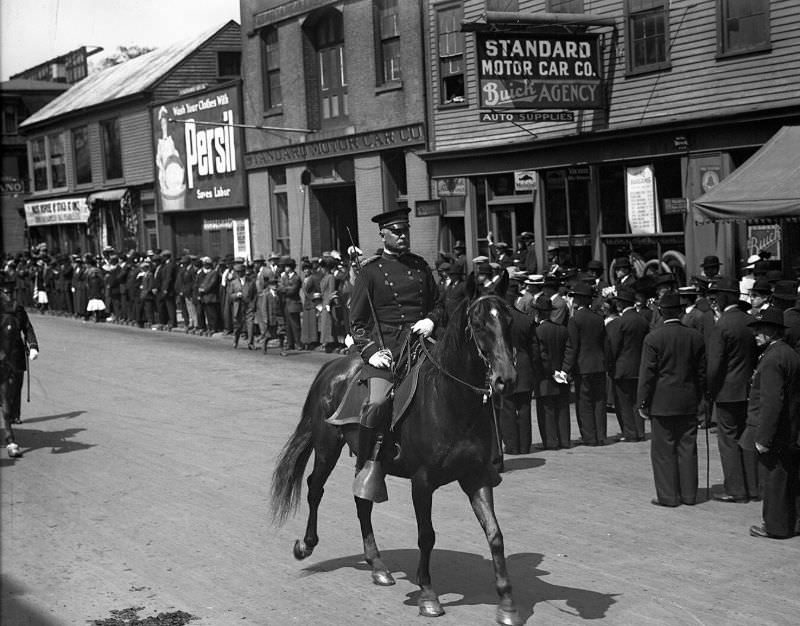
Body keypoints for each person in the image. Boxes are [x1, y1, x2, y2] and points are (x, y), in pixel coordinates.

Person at [349, 208, 443, 501]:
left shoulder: (420, 266)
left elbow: (439, 304)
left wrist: (432, 320)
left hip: (421, 342)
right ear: (383, 235)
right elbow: (356, 322)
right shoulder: (370, 271)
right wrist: (370, 352)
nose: (403, 236)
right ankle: (368, 461)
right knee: (377, 402)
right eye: (397, 232)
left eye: (406, 231)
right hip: (388, 349)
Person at [637, 293, 706, 507]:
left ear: (660, 311)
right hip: (688, 399)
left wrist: (642, 402)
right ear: (681, 311)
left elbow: (647, 374)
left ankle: (668, 496)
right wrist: (702, 399)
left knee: (663, 450)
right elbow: (702, 373)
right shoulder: (695, 337)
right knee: (687, 447)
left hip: (662, 400)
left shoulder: (654, 338)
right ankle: (689, 494)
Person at [740, 308, 800, 538]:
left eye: (760, 329)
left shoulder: (772, 359)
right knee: (789, 478)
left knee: (773, 480)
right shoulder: (789, 354)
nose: (755, 333)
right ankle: (792, 522)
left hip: (775, 431)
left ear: (773, 332)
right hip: (790, 427)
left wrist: (763, 438)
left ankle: (775, 527)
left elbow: (772, 401)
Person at [706, 278, 759, 503]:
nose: (715, 299)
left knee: (728, 440)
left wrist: (709, 389)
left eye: (718, 295)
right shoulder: (750, 321)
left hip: (726, 391)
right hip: (748, 389)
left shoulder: (723, 325)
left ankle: (736, 489)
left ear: (726, 297)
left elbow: (715, 364)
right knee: (746, 439)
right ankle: (753, 487)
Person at [558, 282, 607, 446]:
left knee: (584, 402)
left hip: (583, 366)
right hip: (599, 365)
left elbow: (572, 346)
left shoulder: (575, 320)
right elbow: (604, 343)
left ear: (578, 300)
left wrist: (565, 369)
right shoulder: (599, 319)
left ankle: (589, 437)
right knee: (599, 402)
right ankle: (601, 435)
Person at [1, 273, 40, 458]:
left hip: (15, 354)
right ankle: (10, 437)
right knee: (5, 399)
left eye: (11, 291)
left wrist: (33, 346)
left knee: (15, 388)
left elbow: (28, 328)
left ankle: (13, 415)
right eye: (6, 291)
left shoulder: (18, 309)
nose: (9, 295)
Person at [608, 288, 650, 442]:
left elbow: (614, 346)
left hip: (622, 367)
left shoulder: (619, 322)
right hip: (639, 366)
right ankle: (640, 431)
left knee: (623, 402)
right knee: (637, 401)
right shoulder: (643, 320)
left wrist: (610, 365)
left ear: (620, 304)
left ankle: (630, 432)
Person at [532, 297, 571, 449]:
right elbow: (569, 351)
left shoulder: (538, 331)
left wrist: (552, 372)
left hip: (545, 377)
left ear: (538, 313)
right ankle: (564, 440)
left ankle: (551, 442)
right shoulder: (562, 329)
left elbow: (541, 356)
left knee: (546, 410)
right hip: (562, 374)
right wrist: (564, 371)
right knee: (562, 409)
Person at [279, 257, 302, 354]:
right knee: (288, 325)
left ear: (291, 267)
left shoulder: (296, 278)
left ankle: (298, 343)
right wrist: (285, 289)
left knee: (295, 325)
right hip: (286, 304)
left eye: (287, 267)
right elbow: (279, 288)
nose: (285, 268)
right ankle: (290, 343)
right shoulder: (284, 277)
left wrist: (284, 289)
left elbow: (293, 290)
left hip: (294, 303)